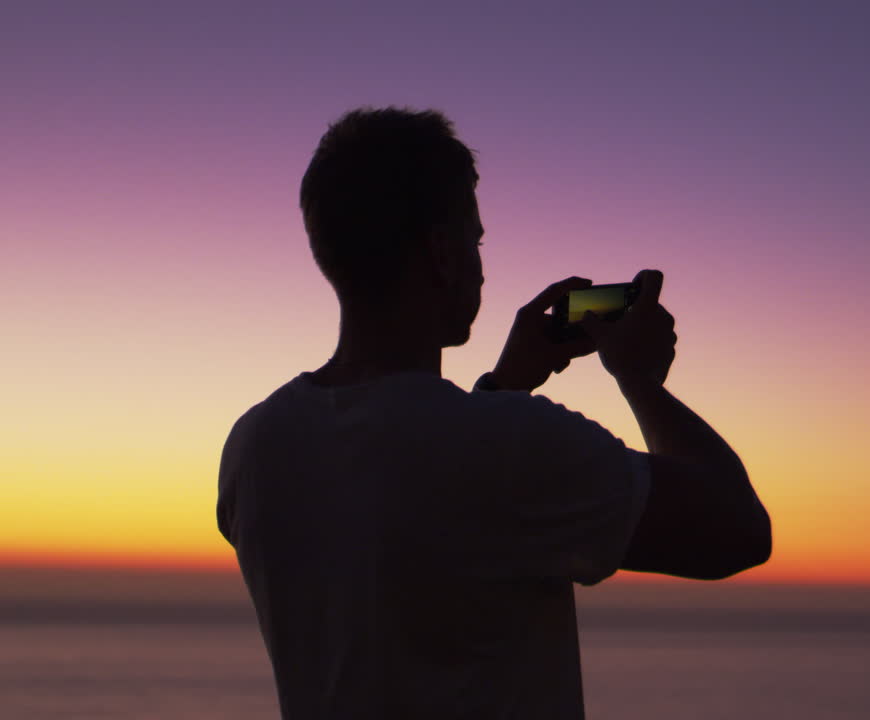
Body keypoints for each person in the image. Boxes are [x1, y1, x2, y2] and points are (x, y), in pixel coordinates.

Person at [216, 106, 771, 719]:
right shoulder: (513, 447)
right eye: (475, 240)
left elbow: (414, 504)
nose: (482, 263)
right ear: (442, 253)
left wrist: (507, 384)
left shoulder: (254, 446)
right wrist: (638, 380)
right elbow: (738, 530)